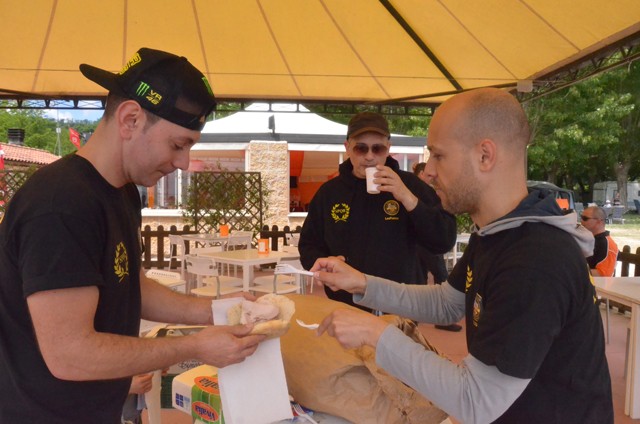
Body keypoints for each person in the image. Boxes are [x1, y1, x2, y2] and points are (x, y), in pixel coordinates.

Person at [311, 88, 613, 423]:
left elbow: (475, 401)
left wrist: (375, 333)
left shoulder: (534, 259)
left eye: (439, 156)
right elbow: (447, 302)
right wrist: (362, 284)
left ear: (485, 156)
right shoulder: (497, 233)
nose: (430, 171)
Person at [0, 48, 265, 423]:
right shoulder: (60, 205)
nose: (183, 163)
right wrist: (193, 347)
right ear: (130, 119)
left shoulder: (122, 192)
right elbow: (69, 354)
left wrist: (215, 310)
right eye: (178, 145)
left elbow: (130, 287)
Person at [298, 112, 456, 310]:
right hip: (346, 305)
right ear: (347, 148)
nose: (369, 156)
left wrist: (407, 198)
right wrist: (323, 261)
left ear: (388, 148)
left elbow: (444, 240)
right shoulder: (329, 193)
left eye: (378, 148)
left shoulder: (411, 186)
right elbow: (308, 244)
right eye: (361, 148)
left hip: (400, 306)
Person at [412, 162, 461, 332]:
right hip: (425, 242)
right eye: (427, 174)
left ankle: (417, 316)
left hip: (425, 241)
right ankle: (442, 318)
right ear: (420, 175)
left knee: (422, 276)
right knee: (438, 274)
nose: (432, 176)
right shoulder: (420, 193)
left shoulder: (428, 193)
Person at [582, 205, 619, 276]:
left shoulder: (607, 244)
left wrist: (574, 270)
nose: (581, 221)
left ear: (599, 221)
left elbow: (603, 274)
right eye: (581, 217)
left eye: (585, 218)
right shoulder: (589, 239)